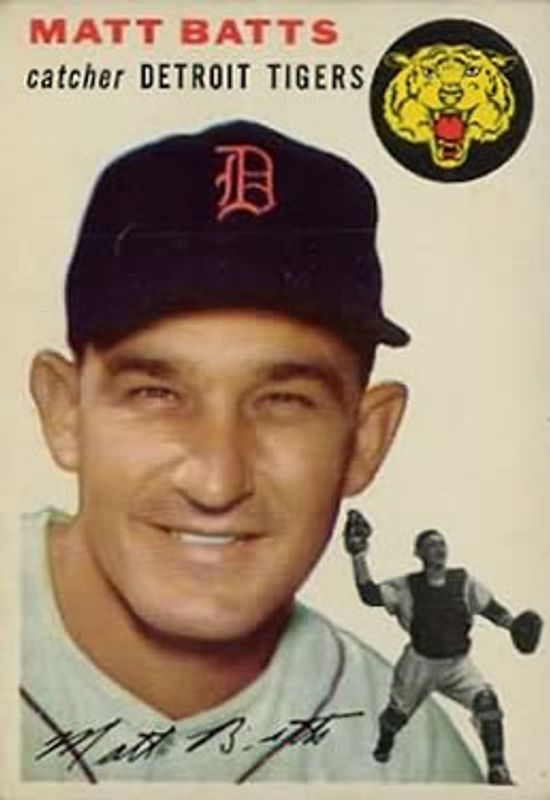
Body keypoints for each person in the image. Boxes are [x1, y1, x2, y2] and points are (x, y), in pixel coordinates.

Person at [22, 120, 483, 783]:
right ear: (64, 411)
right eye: (156, 393)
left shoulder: (416, 766)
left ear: (366, 439)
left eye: (284, 401)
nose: (216, 482)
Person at [344, 512, 543, 786]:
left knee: (487, 703)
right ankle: (385, 740)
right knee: (396, 717)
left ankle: (498, 769)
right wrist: (358, 556)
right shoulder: (406, 586)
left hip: (457, 664)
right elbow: (370, 595)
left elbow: (491, 608)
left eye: (441, 544)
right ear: (418, 553)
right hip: (419, 664)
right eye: (431, 545)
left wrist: (512, 625)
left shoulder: (463, 580)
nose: (438, 549)